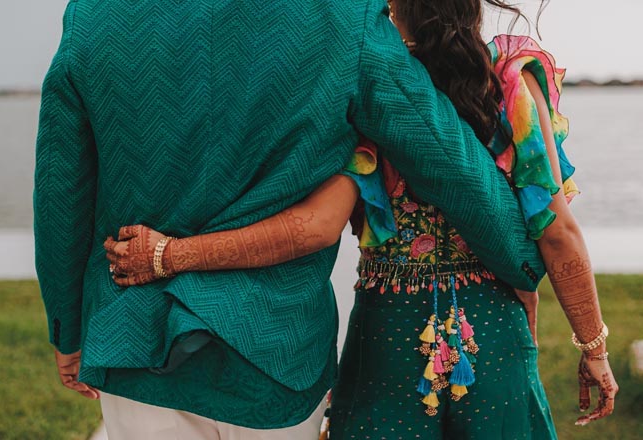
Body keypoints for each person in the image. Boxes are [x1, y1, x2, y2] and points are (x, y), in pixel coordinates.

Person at [34, 0, 548, 438]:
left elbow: (61, 186)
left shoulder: (95, 13)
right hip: (275, 348)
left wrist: (67, 327)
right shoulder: (343, 15)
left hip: (134, 337)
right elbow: (443, 156)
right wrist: (523, 256)